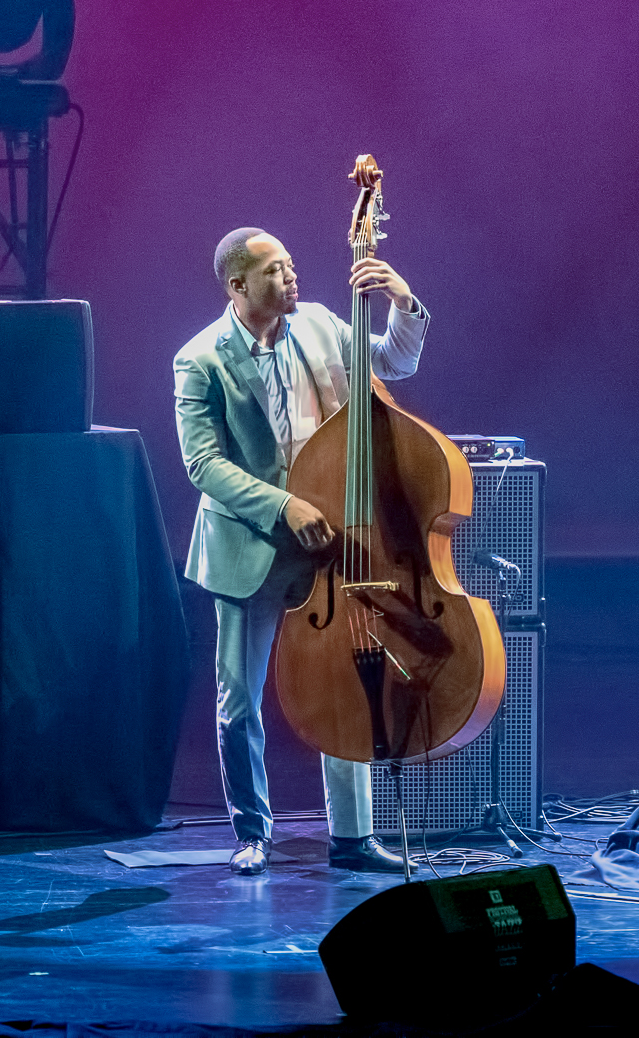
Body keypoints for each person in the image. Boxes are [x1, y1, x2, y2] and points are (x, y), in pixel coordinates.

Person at [174, 227, 429, 876]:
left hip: (334, 541)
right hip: (251, 543)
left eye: (291, 264)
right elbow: (204, 464)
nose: (292, 277)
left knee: (351, 683)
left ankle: (352, 837)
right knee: (239, 701)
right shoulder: (199, 359)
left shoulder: (318, 324)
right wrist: (284, 505)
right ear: (238, 286)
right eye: (274, 270)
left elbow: (395, 363)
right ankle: (253, 833)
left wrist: (403, 302)